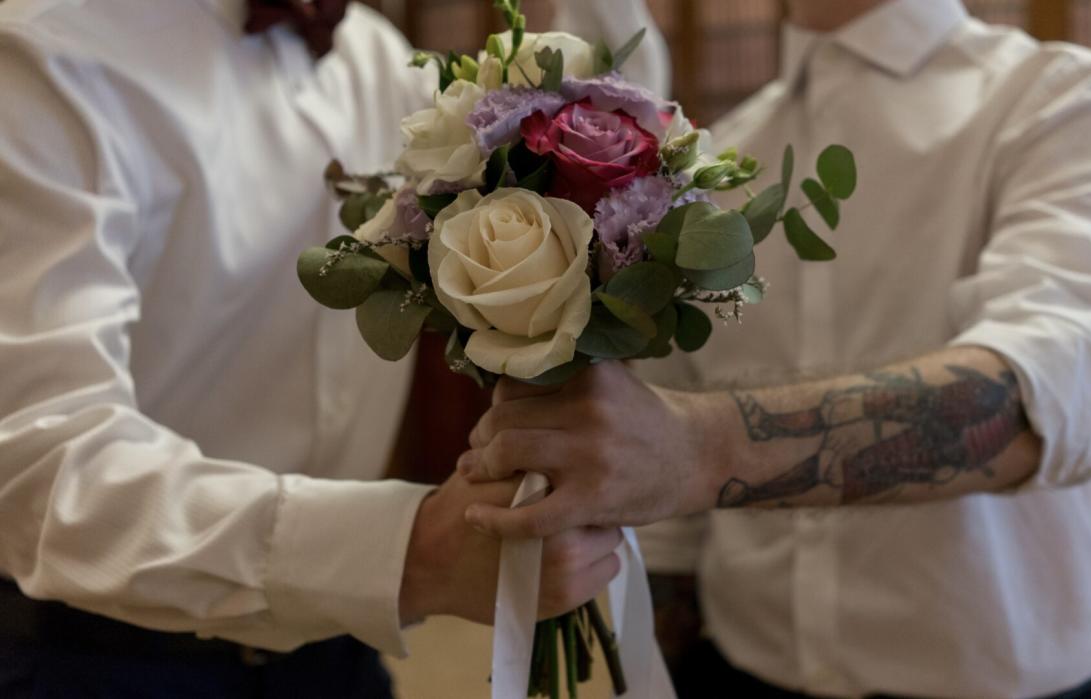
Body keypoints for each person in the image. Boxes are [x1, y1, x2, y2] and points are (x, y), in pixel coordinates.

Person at [459, 0, 1091, 697]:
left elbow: (1039, 398)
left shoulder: (1069, 101)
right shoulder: (720, 164)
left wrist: (699, 449)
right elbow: (671, 505)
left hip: (1006, 676)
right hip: (740, 666)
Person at [0, 0, 659, 696]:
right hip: (93, 654)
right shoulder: (49, 57)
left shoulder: (375, 54)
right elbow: (39, 463)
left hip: (334, 646)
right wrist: (411, 553)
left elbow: (585, 128)